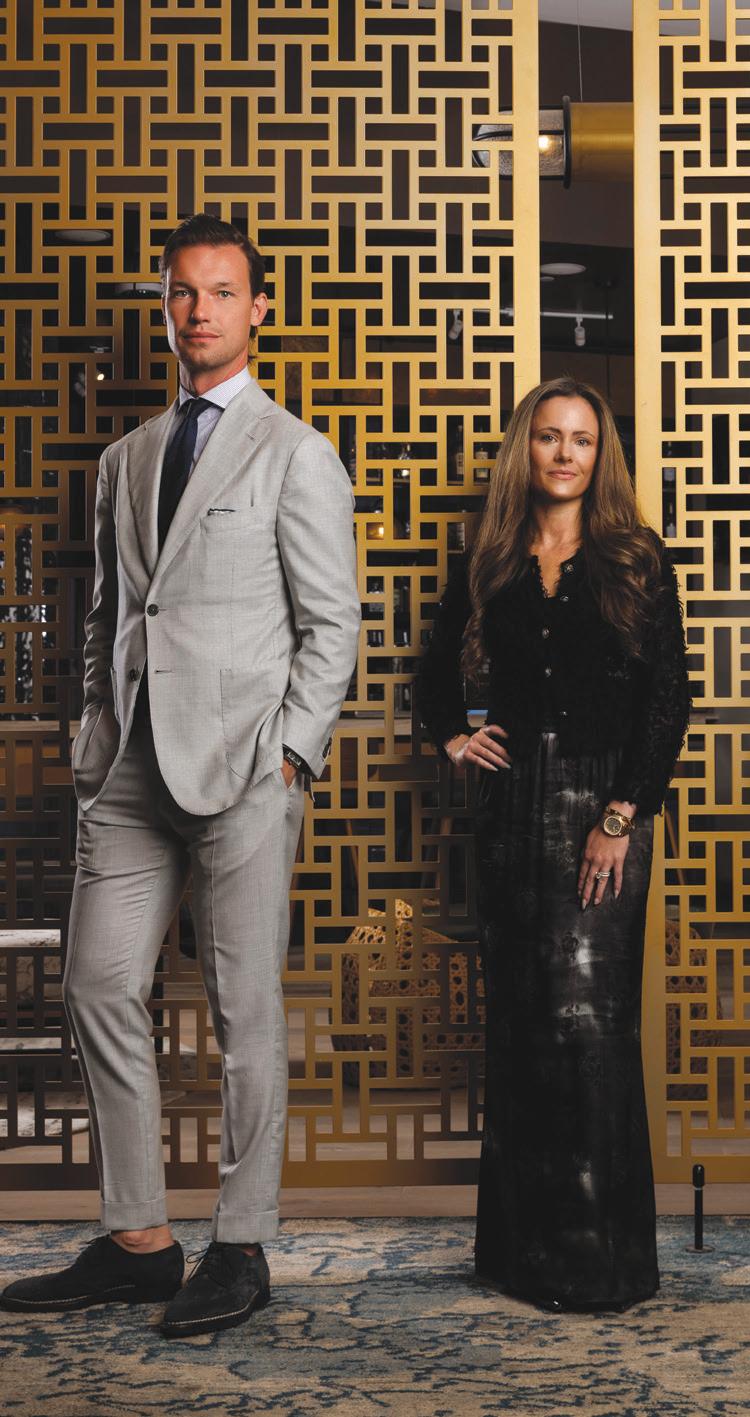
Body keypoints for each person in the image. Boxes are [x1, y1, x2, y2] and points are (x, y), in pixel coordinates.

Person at [1, 215, 360, 1337]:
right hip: (128, 768)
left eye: (221, 291)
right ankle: (140, 1240)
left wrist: (291, 756)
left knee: (246, 1010)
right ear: (165, 308)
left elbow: (333, 625)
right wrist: (92, 732)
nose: (200, 311)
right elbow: (115, 613)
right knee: (97, 982)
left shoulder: (295, 452)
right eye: (182, 293)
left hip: (247, 767)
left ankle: (241, 1243)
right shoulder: (126, 459)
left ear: (259, 309)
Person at [416, 376, 690, 1310]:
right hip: (509, 810)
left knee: (591, 1029)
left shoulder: (635, 558)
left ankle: (600, 1261)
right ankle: (519, 1256)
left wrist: (621, 816)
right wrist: (454, 737)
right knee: (523, 1022)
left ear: (600, 455)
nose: (565, 453)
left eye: (581, 438)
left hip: (601, 803)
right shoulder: (490, 556)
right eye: (548, 436)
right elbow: (431, 673)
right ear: (524, 449)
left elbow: (668, 700)